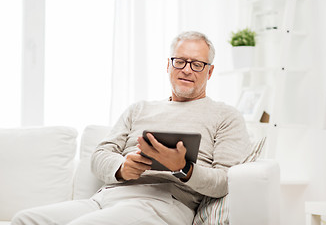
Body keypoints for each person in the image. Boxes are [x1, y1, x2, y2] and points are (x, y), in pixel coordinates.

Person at [11, 31, 252, 225]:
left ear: (210, 71)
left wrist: (184, 168)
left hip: (163, 204)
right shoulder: (139, 109)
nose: (187, 69)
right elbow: (100, 155)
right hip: (107, 197)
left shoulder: (226, 116)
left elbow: (224, 182)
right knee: (25, 219)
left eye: (197, 64)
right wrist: (122, 168)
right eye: (180, 61)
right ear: (168, 66)